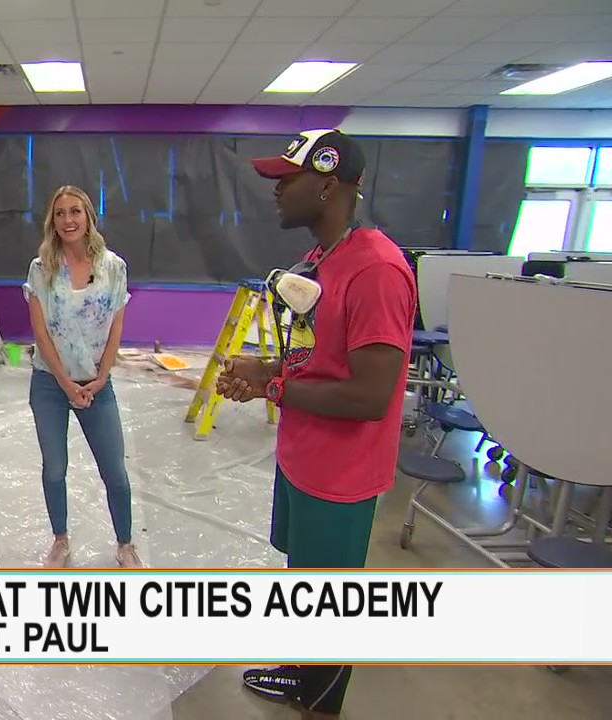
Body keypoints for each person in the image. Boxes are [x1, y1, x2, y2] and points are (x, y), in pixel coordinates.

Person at [220, 130, 417, 719]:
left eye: (288, 179)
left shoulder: (377, 270)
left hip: (342, 474)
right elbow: (319, 359)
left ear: (328, 184)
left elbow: (369, 394)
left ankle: (322, 698)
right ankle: (302, 668)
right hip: (302, 459)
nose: (277, 191)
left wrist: (274, 385)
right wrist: (266, 369)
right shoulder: (319, 261)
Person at [24, 185, 140, 569]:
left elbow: (116, 328)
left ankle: (125, 544)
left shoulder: (114, 268)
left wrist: (101, 377)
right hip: (50, 383)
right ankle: (60, 539)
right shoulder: (41, 268)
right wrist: (65, 383)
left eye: (75, 211)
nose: (68, 220)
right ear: (52, 221)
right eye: (60, 213)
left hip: (97, 383)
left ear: (88, 216)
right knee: (54, 468)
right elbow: (41, 334)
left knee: (115, 472)